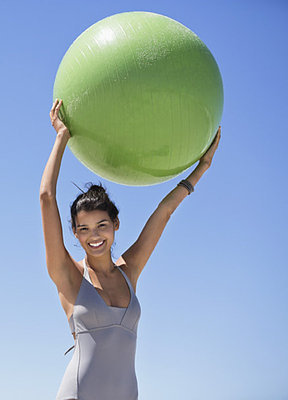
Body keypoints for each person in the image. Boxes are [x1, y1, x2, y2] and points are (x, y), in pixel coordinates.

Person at [40, 99, 221, 400]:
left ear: (116, 224)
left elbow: (164, 212)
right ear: (74, 232)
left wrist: (200, 169)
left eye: (102, 225)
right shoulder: (69, 277)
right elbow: (46, 197)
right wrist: (61, 137)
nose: (93, 236)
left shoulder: (129, 271)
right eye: (83, 229)